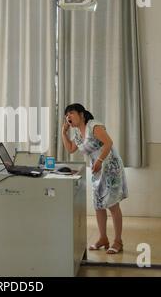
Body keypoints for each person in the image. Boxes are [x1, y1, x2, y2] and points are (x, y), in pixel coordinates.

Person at [61, 103, 128, 254]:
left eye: (71, 113)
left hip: (109, 166)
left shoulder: (94, 126)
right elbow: (71, 149)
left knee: (112, 204)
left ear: (82, 114)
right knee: (98, 205)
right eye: (66, 115)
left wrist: (99, 161)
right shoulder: (78, 133)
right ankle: (103, 238)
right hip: (97, 169)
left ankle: (118, 242)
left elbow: (109, 143)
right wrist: (63, 133)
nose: (68, 117)